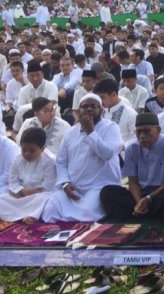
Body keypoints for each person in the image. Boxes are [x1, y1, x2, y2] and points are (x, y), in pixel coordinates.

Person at [40, 94, 123, 222]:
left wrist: (90, 131)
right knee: (51, 207)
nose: (89, 109)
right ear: (78, 111)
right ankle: (55, 236)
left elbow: (107, 154)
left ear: (101, 109)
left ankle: (73, 235)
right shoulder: (70, 133)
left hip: (99, 187)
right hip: (74, 188)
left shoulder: (111, 128)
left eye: (93, 106)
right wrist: (65, 183)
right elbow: (61, 163)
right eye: (85, 106)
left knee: (87, 212)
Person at [99, 113, 164, 220]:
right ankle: (147, 211)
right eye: (138, 132)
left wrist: (149, 198)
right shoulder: (132, 149)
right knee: (107, 192)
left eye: (147, 131)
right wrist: (139, 201)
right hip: (140, 194)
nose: (142, 136)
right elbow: (132, 182)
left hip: (160, 193)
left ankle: (139, 213)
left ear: (158, 130)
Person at [0, 128, 56, 223]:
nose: (27, 154)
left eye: (32, 151)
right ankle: (24, 216)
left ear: (42, 149)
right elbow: (12, 182)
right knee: (2, 199)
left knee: (46, 200)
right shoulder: (17, 160)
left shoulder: (49, 162)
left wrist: (31, 192)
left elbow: (48, 188)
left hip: (38, 197)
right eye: (24, 150)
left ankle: (30, 215)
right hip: (20, 196)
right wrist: (21, 191)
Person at [94, 77, 137, 147]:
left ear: (113, 95)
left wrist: (123, 147)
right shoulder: (99, 112)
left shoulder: (130, 114)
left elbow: (136, 137)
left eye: (102, 97)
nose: (99, 101)